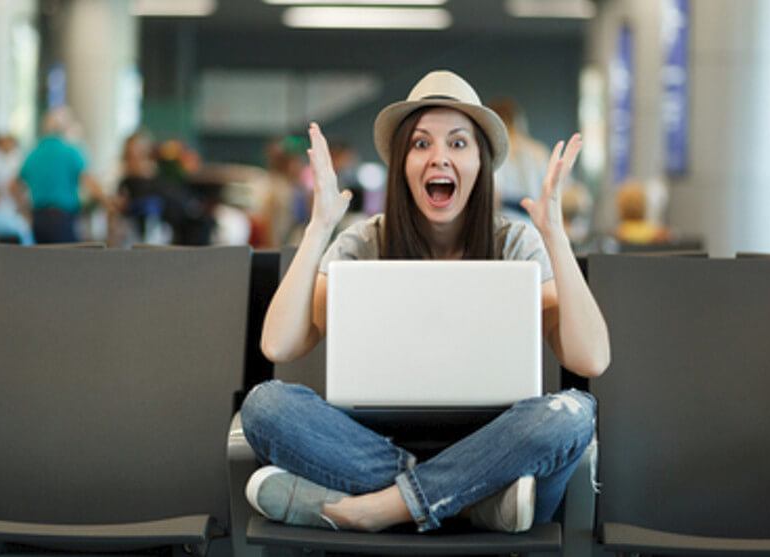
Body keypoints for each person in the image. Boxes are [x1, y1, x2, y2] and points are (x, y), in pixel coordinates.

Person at [241, 70, 610, 535]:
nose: (440, 158)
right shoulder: (363, 240)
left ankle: (375, 508)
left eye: (458, 144)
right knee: (264, 406)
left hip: (499, 442)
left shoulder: (515, 241)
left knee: (573, 414)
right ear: (401, 164)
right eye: (421, 144)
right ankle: (471, 502)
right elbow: (279, 345)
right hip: (386, 447)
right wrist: (319, 228)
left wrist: (555, 234)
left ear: (481, 161)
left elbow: (590, 357)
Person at [14, 107, 110, 243]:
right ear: (66, 128)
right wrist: (108, 203)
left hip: (38, 217)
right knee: (66, 261)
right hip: (63, 218)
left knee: (41, 260)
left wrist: (24, 209)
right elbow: (90, 183)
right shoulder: (71, 151)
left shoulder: (33, 153)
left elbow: (13, 185)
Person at [487, 97, 551, 223]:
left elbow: (494, 198)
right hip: (537, 227)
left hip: (506, 226)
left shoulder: (494, 152)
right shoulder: (539, 151)